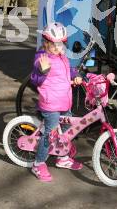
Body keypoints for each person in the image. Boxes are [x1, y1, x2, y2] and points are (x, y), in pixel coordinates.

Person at [30, 22, 84, 182]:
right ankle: (38, 163)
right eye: (52, 44)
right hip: (51, 104)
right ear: (46, 43)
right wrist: (43, 70)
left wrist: (75, 76)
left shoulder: (62, 56)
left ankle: (62, 158)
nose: (56, 47)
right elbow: (35, 79)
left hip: (65, 103)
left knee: (66, 130)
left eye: (59, 44)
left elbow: (69, 70)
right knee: (50, 136)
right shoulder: (42, 58)